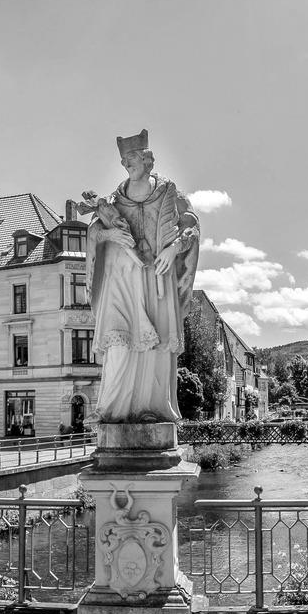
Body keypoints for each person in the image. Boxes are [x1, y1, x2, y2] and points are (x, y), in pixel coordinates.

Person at [79, 129, 200, 423]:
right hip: (122, 276)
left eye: (131, 158)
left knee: (157, 345)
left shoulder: (170, 193)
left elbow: (191, 227)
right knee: (120, 342)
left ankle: (154, 409)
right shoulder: (115, 199)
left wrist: (174, 249)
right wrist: (110, 234)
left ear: (147, 160)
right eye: (123, 160)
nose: (126, 165)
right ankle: (113, 409)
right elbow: (94, 232)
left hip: (159, 276)